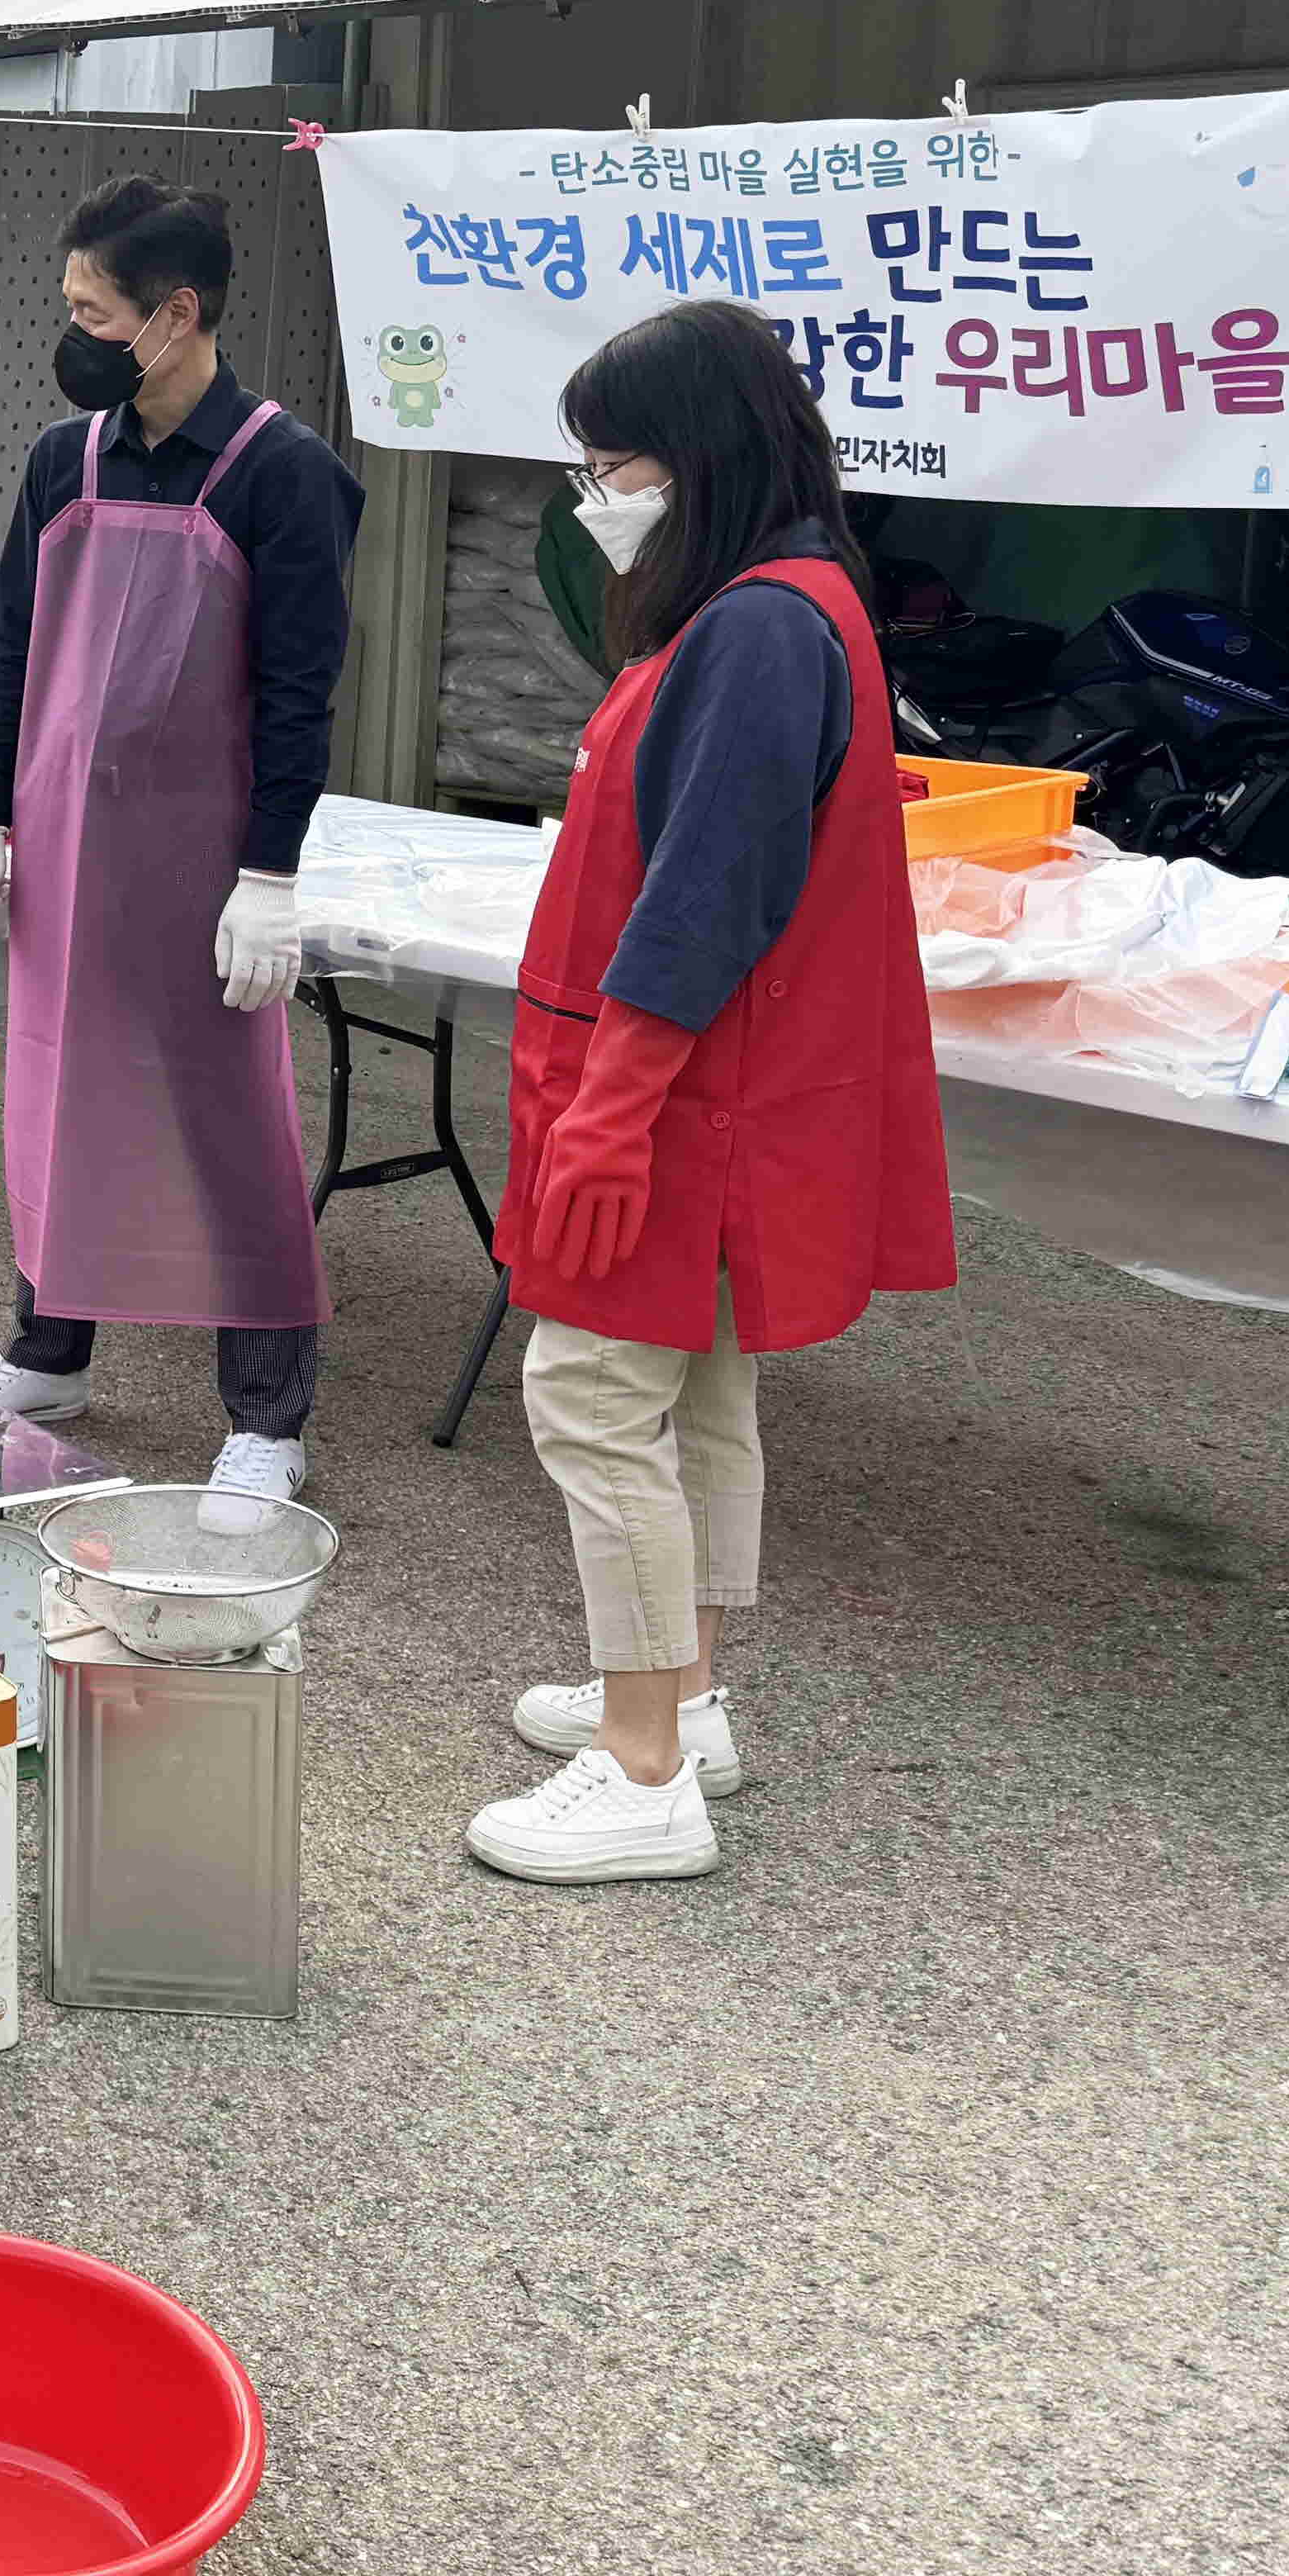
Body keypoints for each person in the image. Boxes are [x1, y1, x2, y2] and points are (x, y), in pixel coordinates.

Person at [468, 299, 955, 1886]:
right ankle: (685, 1698)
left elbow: (704, 897)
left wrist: (610, 1107)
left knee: (595, 1403)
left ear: (702, 459)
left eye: (619, 464)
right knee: (703, 1398)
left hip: (686, 1086)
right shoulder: (790, 596)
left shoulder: (758, 625)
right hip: (721, 1080)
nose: (598, 495)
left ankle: (641, 1770)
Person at [0, 181, 356, 1503]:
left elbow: (300, 691)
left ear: (176, 316)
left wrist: (271, 874)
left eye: (93, 311)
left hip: (207, 861)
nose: (75, 332)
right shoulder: (66, 461)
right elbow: (16, 651)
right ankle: (49, 1345)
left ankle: (268, 1415)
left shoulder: (283, 474)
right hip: (64, 850)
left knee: (230, 1116)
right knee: (60, 1093)